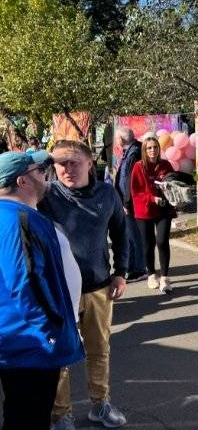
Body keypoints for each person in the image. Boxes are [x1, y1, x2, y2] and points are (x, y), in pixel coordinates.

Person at [38, 141, 128, 430]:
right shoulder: (45, 195)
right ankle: (60, 414)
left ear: (91, 163)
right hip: (58, 291)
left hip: (98, 286)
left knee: (99, 349)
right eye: (60, 163)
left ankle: (100, 404)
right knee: (60, 355)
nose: (67, 169)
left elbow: (122, 233)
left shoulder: (106, 193)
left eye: (74, 162)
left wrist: (121, 272)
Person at [0, 151, 84, 430]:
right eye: (39, 171)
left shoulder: (14, 216)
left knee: (21, 412)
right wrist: (51, 328)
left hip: (20, 341)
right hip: (30, 345)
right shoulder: (17, 220)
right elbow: (26, 284)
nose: (45, 176)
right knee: (29, 417)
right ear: (22, 180)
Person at [130, 137, 176, 293]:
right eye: (149, 147)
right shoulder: (138, 167)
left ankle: (165, 278)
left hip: (164, 210)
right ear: (144, 150)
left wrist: (170, 189)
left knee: (162, 241)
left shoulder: (166, 165)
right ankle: (151, 275)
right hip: (145, 211)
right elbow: (136, 192)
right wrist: (152, 198)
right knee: (148, 244)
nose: (152, 150)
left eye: (155, 147)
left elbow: (174, 185)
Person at [113, 127, 146, 282]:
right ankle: (134, 267)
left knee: (134, 236)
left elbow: (130, 181)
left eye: (116, 138)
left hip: (131, 203)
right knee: (129, 236)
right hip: (127, 201)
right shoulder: (131, 152)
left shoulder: (135, 153)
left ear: (121, 139)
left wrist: (126, 202)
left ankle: (139, 269)